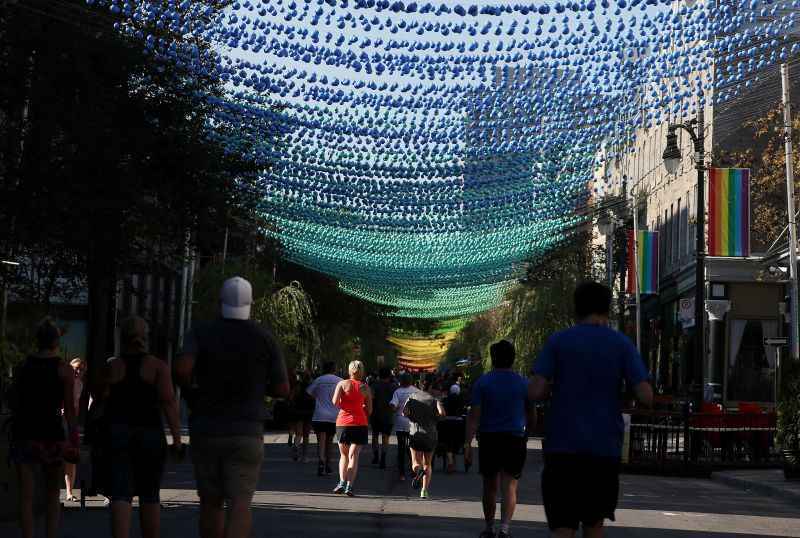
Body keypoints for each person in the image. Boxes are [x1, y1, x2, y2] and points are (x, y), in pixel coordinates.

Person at [529, 282, 654, 538]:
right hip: (603, 448)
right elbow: (646, 395)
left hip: (562, 447)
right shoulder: (621, 344)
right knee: (594, 523)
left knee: (563, 524)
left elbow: (535, 392)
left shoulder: (558, 341)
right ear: (607, 309)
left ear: (577, 308)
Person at [175, 276, 289, 538]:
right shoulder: (264, 337)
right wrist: (260, 388)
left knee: (211, 502)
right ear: (251, 303)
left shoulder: (201, 332)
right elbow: (283, 389)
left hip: (207, 427)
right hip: (247, 430)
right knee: (240, 504)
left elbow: (182, 368)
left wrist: (192, 393)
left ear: (219, 302)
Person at [105, 317, 183, 538]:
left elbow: (100, 398)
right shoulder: (157, 367)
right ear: (146, 338)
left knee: (120, 494)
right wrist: (177, 440)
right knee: (150, 494)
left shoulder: (113, 366)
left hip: (119, 433)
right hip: (150, 433)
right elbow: (169, 403)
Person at [8, 318, 77, 538]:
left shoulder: (22, 367)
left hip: (24, 432)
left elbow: (13, 400)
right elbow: (69, 407)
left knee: (26, 496)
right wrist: (73, 436)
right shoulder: (64, 370)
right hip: (51, 434)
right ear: (56, 341)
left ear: (37, 340)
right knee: (51, 494)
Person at [466, 340, 531, 538]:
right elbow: (532, 414)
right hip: (515, 438)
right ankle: (505, 528)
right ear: (513, 358)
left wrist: (467, 443)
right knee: (510, 485)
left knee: (489, 485)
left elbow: (474, 418)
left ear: (493, 359)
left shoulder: (482, 383)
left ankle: (489, 527)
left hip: (489, 439)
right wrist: (527, 434)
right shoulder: (523, 383)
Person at [331, 360, 372, 496]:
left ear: (349, 371)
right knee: (353, 455)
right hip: (360, 423)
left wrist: (345, 403)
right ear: (362, 372)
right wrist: (362, 406)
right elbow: (369, 410)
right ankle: (350, 486)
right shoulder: (365, 388)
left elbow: (335, 402)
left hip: (343, 423)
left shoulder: (342, 384)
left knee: (344, 455)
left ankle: (342, 482)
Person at [403, 379, 445, 499]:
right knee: (428, 463)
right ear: (430, 387)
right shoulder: (434, 399)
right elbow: (442, 413)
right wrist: (435, 419)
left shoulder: (412, 397)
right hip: (430, 435)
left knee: (415, 462)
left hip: (415, 433)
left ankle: (419, 470)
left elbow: (404, 412)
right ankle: (424, 491)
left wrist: (412, 417)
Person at [307, 362, 343, 476]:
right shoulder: (340, 381)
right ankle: (328, 463)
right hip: (334, 415)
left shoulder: (319, 380)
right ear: (334, 369)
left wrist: (318, 397)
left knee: (321, 440)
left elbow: (309, 392)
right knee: (330, 440)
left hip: (319, 415)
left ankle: (321, 460)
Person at [64, 357, 86, 502]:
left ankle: (69, 492)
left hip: (71, 423)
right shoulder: (63, 382)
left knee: (71, 458)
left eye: (81, 369)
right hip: (60, 422)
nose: (78, 371)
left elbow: (77, 406)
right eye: (76, 368)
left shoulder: (80, 384)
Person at [389, 372, 418, 481]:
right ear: (411, 381)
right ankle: (414, 470)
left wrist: (396, 408)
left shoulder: (398, 391)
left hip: (400, 422)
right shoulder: (416, 391)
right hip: (413, 423)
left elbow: (393, 406)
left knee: (401, 447)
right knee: (413, 447)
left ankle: (401, 474)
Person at [369, 367, 397, 469]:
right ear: (389, 375)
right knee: (385, 437)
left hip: (375, 414)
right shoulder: (394, 387)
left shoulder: (374, 385)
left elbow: (370, 398)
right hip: (388, 415)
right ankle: (383, 459)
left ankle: (376, 456)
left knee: (375, 436)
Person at [440, 383, 467, 474]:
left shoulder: (446, 399)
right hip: (458, 423)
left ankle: (450, 462)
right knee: (457, 442)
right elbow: (464, 412)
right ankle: (452, 462)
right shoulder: (461, 399)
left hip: (447, 423)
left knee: (447, 442)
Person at [288, 370, 315, 462]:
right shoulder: (312, 386)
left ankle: (296, 446)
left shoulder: (297, 386)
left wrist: (293, 406)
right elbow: (315, 398)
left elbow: (291, 398)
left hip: (298, 412)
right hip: (308, 412)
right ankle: (304, 456)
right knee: (306, 435)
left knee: (299, 433)